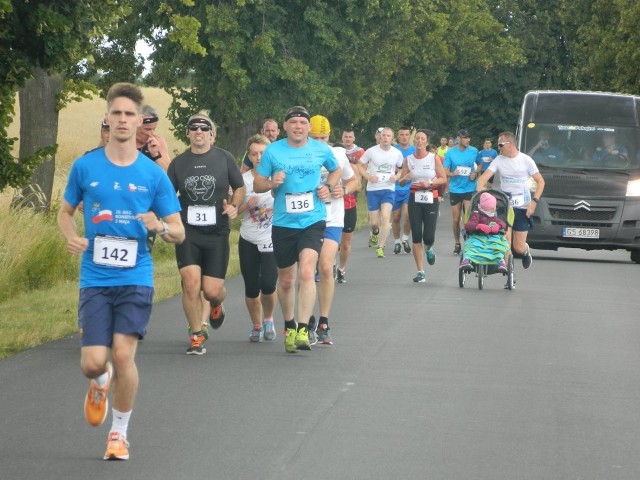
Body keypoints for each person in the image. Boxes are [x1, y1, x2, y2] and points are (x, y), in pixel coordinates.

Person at [57, 82, 185, 461]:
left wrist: (159, 226)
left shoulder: (153, 174)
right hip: (95, 276)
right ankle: (99, 382)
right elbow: (65, 212)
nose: (124, 120)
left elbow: (178, 230)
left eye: (131, 114)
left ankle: (119, 434)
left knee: (124, 356)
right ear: (108, 120)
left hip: (136, 275)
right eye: (118, 114)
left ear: (139, 121)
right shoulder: (86, 166)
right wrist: (72, 235)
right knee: (94, 362)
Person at [253, 106, 341, 353]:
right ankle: (289, 324)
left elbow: (336, 169)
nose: (299, 126)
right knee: (287, 279)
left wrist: (328, 186)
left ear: (309, 127)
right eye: (294, 122)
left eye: (303, 122)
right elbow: (259, 183)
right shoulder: (273, 151)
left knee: (306, 271)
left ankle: (303, 328)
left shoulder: (321, 149)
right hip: (283, 222)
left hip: (313, 220)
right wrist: (271, 182)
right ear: (285, 126)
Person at [167, 112, 246, 355]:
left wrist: (233, 205)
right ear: (188, 133)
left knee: (211, 290)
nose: (199, 131)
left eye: (204, 128)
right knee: (191, 284)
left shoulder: (224, 158)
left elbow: (240, 187)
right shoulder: (178, 163)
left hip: (216, 232)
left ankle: (217, 304)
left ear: (211, 134)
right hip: (188, 232)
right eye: (194, 128)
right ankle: (195, 335)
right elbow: (167, 196)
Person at [307, 115, 357, 345]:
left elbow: (355, 181)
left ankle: (324, 321)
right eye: (315, 137)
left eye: (323, 137)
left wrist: (344, 189)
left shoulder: (337, 154)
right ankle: (306, 320)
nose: (319, 142)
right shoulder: (301, 154)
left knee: (326, 266)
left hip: (332, 219)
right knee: (307, 271)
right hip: (306, 220)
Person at [476, 131, 546, 269]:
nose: (498, 148)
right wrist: (480, 193)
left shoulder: (526, 160)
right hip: (505, 204)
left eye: (500, 145)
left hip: (522, 205)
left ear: (510, 144)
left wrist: (534, 202)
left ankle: (525, 251)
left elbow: (541, 182)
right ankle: (508, 270)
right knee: (506, 239)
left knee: (518, 247)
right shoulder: (499, 160)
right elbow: (483, 178)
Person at [237, 134, 278, 342]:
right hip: (248, 239)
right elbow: (233, 212)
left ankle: (269, 319)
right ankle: (256, 324)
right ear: (249, 156)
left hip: (271, 239)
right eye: (254, 153)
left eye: (263, 153)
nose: (259, 157)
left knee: (269, 285)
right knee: (252, 288)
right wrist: (247, 205)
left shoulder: (278, 177)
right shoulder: (243, 181)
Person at [398, 130, 446, 282]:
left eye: (422, 139)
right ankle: (421, 271)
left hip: (431, 197)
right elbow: (401, 182)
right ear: (414, 142)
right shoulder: (409, 159)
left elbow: (443, 179)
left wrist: (430, 182)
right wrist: (405, 177)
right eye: (417, 138)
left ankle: (429, 248)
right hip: (415, 198)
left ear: (426, 142)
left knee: (429, 236)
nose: (419, 141)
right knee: (416, 235)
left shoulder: (433, 158)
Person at [358, 127, 404, 258]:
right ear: (380, 137)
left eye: (388, 136)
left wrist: (397, 176)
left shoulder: (396, 153)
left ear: (392, 138)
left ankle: (381, 246)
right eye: (383, 135)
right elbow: (358, 166)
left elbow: (401, 169)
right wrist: (368, 177)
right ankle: (375, 232)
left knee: (385, 217)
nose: (385, 138)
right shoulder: (371, 151)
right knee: (373, 223)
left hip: (388, 189)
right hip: (373, 189)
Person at [443, 129, 481, 254]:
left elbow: (480, 164)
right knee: (455, 219)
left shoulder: (474, 151)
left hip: (469, 188)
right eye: (465, 138)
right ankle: (457, 242)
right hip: (455, 189)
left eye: (469, 137)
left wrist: (475, 173)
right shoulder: (450, 152)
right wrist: (452, 173)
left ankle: (468, 243)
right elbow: (445, 171)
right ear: (458, 138)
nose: (468, 140)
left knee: (467, 218)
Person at [336, 128, 364, 284]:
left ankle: (341, 269)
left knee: (345, 243)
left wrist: (345, 188)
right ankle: (328, 266)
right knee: (331, 242)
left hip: (348, 206)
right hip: (331, 208)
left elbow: (359, 187)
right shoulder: (325, 167)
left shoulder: (352, 167)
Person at [458, 191, 509, 273]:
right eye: (492, 208)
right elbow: (468, 225)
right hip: (477, 236)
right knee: (471, 245)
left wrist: (498, 226)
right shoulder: (476, 215)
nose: (493, 209)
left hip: (493, 237)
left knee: (498, 246)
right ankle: (467, 259)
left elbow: (502, 223)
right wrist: (478, 226)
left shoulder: (494, 217)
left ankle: (500, 260)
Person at [392, 126, 415, 255]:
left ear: (409, 136)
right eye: (402, 135)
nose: (404, 137)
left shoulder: (414, 150)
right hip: (395, 187)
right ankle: (396, 242)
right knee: (395, 217)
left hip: (409, 188)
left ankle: (405, 239)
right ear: (398, 136)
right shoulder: (393, 150)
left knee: (407, 215)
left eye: (407, 135)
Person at [135, 105, 171, 172]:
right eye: (147, 129)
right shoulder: (124, 142)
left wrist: (156, 155)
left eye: (154, 129)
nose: (152, 134)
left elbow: (169, 173)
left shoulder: (158, 141)